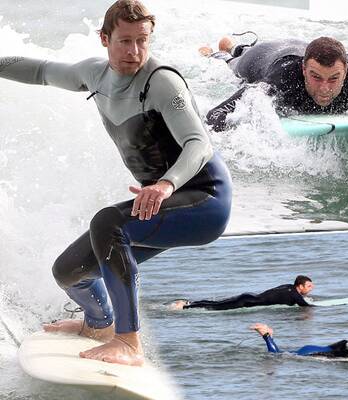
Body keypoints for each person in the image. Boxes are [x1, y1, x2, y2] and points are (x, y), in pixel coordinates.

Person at [0, 0, 232, 366]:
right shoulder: (95, 75)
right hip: (159, 201)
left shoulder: (162, 82)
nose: (134, 51)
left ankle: (128, 342)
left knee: (107, 223)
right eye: (124, 41)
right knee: (70, 271)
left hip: (203, 199)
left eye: (142, 41)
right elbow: (41, 70)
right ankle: (99, 324)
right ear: (104, 39)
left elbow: (199, 144)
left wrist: (166, 185)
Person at [205, 36, 348, 131]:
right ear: (304, 70)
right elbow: (215, 114)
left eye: (334, 78)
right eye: (316, 77)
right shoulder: (283, 80)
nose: (325, 88)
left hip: (301, 48)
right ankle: (222, 52)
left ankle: (233, 46)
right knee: (233, 64)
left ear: (346, 72)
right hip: (260, 58)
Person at [171, 275, 314, 310]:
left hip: (248, 296)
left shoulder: (288, 286)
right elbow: (306, 307)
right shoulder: (294, 294)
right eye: (308, 286)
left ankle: (188, 303)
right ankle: (185, 306)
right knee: (215, 307)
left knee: (216, 303)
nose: (310, 288)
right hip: (246, 301)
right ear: (300, 286)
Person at [251, 323, 348, 362]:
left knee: (280, 354)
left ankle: (269, 335)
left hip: (312, 349)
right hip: (312, 351)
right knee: (276, 356)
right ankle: (266, 335)